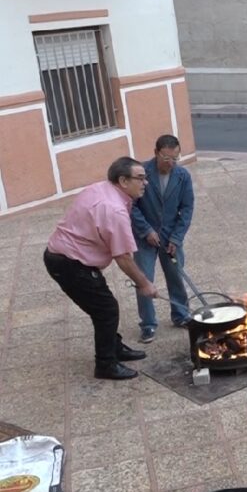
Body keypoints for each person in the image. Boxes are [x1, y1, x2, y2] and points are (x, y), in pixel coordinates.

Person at [43, 157, 158, 380]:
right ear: (123, 181)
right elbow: (123, 257)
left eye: (146, 178)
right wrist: (145, 284)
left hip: (71, 257)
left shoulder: (102, 188)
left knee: (103, 306)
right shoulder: (113, 209)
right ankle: (105, 365)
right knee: (106, 310)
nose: (145, 183)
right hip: (68, 262)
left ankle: (115, 348)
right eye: (141, 179)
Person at [131, 135, 195, 343]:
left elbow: (186, 209)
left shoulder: (182, 176)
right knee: (144, 279)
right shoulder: (141, 173)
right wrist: (146, 230)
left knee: (176, 276)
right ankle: (148, 324)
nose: (171, 163)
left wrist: (176, 238)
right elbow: (131, 206)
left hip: (170, 235)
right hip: (144, 236)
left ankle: (180, 314)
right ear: (156, 152)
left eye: (175, 159)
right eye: (167, 158)